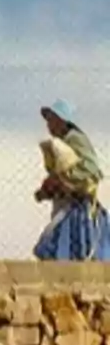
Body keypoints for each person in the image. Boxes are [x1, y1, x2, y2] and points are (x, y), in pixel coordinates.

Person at [32, 100, 110, 261]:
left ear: (61, 120)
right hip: (68, 204)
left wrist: (65, 181)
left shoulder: (75, 139)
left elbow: (91, 168)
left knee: (58, 242)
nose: (48, 125)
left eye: (51, 120)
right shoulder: (63, 144)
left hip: (79, 205)